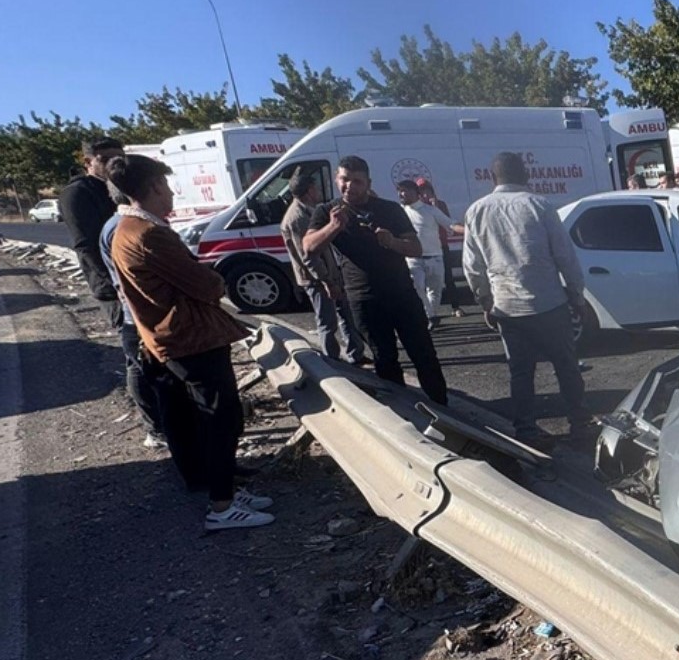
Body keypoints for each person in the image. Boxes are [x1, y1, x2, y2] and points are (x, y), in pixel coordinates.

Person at [105, 154, 273, 530]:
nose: (170, 194)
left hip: (172, 339)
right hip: (191, 340)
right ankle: (222, 506)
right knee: (222, 419)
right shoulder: (150, 234)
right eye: (165, 187)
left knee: (202, 419)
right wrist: (215, 279)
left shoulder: (126, 229)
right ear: (150, 189)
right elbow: (205, 286)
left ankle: (223, 485)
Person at [462, 152, 595, 444]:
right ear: (525, 176)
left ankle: (526, 430)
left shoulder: (476, 211)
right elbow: (565, 257)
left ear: (492, 177)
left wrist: (485, 301)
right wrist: (577, 296)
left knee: (520, 373)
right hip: (548, 304)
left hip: (508, 308)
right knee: (566, 366)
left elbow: (472, 266)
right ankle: (579, 421)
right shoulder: (540, 206)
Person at [304, 156, 449, 403]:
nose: (350, 186)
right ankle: (404, 415)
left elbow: (415, 249)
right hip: (364, 299)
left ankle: (444, 410)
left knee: (423, 353)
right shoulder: (327, 212)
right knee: (384, 358)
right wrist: (333, 227)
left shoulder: (389, 209)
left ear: (367, 182)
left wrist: (392, 242)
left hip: (401, 294)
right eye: (345, 179)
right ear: (337, 179)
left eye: (357, 181)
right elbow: (308, 247)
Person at [98, 189, 166, 451]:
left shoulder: (118, 225)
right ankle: (158, 429)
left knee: (142, 371)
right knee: (147, 374)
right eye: (160, 186)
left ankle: (159, 428)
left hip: (136, 315)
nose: (167, 193)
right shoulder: (127, 228)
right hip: (140, 318)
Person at [281, 169, 368, 363]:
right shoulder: (297, 218)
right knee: (327, 323)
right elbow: (308, 255)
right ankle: (332, 363)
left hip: (332, 273)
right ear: (309, 191)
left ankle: (356, 354)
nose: (320, 191)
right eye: (316, 188)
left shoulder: (311, 210)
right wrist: (326, 281)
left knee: (347, 315)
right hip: (318, 279)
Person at [59, 138, 126, 329]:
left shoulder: (123, 185)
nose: (114, 164)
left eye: (120, 158)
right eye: (105, 160)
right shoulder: (77, 193)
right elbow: (85, 245)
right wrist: (114, 284)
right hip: (113, 288)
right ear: (88, 162)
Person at [395, 179, 456, 330]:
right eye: (400, 191)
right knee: (417, 287)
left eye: (406, 190)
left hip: (435, 257)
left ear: (416, 193)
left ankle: (432, 315)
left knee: (435, 291)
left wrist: (469, 231)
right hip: (413, 259)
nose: (402, 194)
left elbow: (450, 224)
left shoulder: (430, 210)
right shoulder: (399, 213)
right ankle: (429, 316)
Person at [417, 179, 468, 318]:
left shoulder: (440, 205)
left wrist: (436, 206)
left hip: (442, 245)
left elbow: (448, 223)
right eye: (422, 191)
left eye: (427, 191)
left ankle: (456, 306)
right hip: (424, 249)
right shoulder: (418, 208)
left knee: (448, 278)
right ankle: (429, 313)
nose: (425, 194)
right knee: (424, 283)